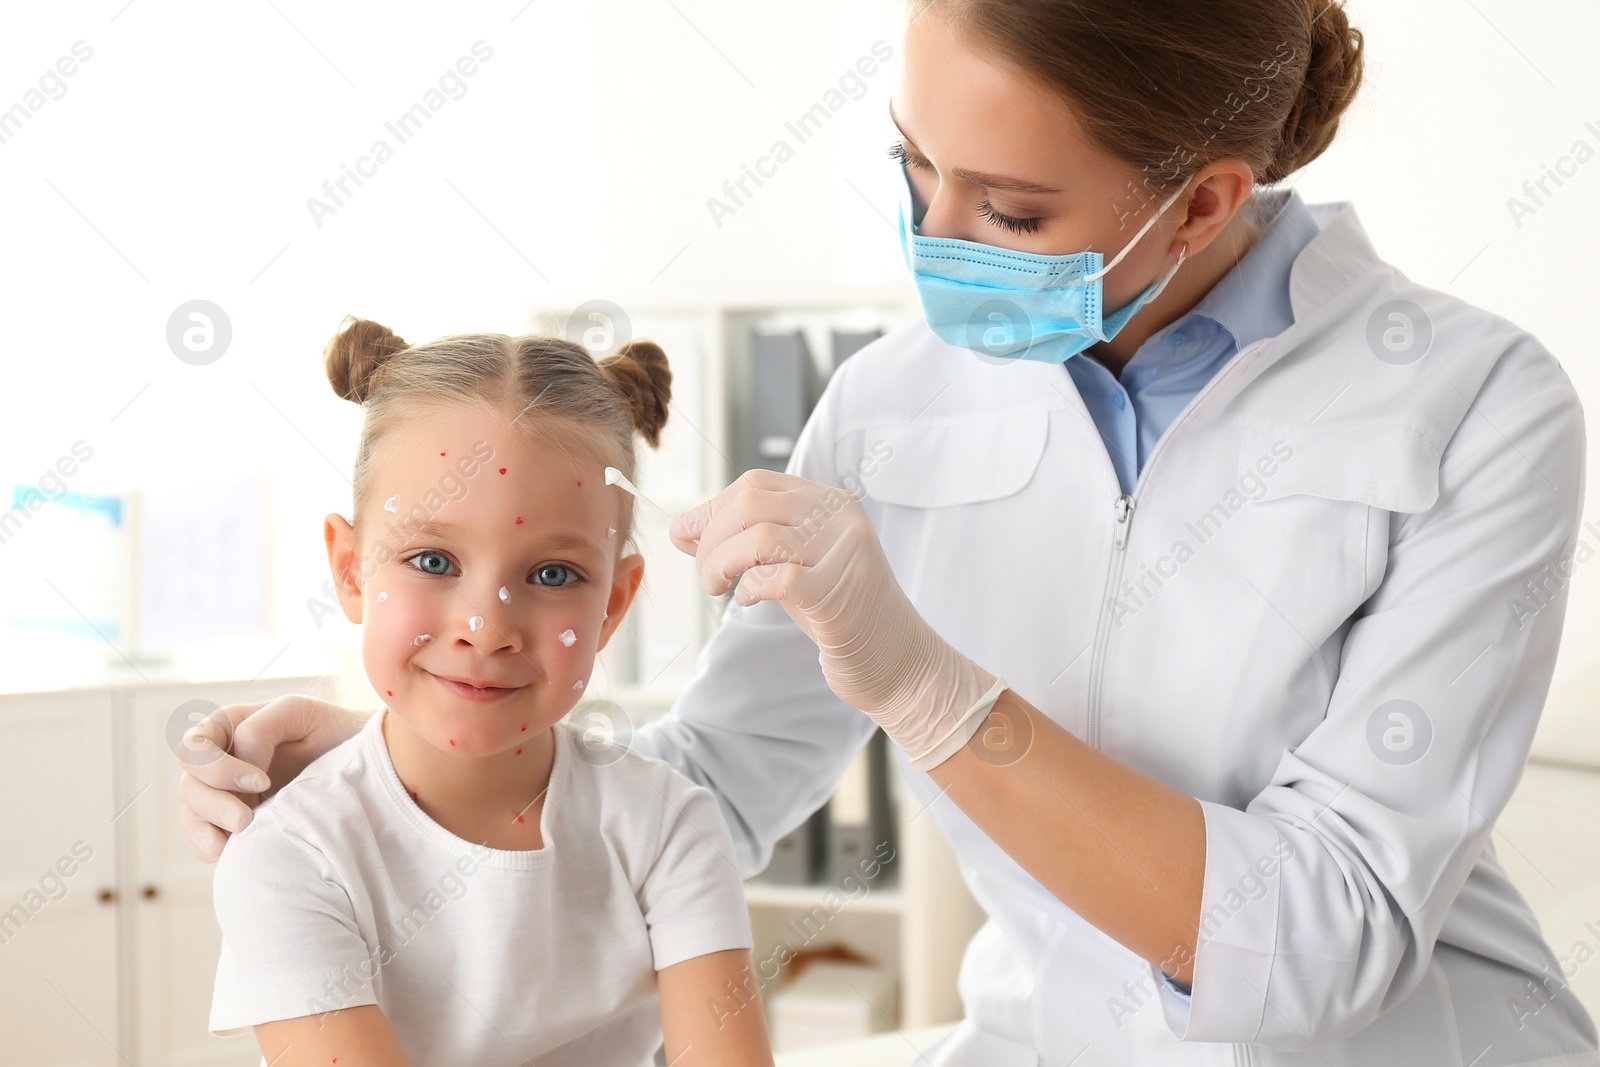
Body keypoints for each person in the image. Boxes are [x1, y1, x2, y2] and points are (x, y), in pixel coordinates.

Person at [181, 2, 1599, 1064]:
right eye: (917, 167)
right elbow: (704, 790)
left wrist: (930, 689)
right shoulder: (892, 403)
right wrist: (418, 766)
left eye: (1013, 207)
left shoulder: (1471, 402)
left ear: (1208, 199)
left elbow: (1322, 946)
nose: (937, 234)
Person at [203, 317, 773, 1067]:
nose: (485, 626)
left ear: (612, 605)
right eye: (433, 559)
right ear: (349, 571)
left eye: (552, 574)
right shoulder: (290, 856)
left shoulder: (667, 826)